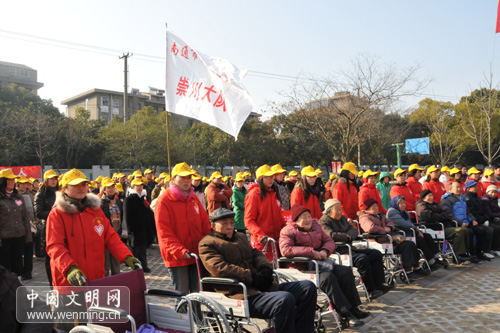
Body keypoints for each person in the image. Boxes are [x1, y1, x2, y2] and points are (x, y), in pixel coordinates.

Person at [199, 208, 317, 333]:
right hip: (239, 293)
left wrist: (265, 268)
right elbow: (220, 268)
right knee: (284, 299)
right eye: (224, 224)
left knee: (307, 288)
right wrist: (252, 277)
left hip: (261, 287)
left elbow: (256, 254)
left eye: (231, 223)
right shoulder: (207, 243)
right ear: (213, 225)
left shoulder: (240, 237)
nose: (229, 227)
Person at [46, 168, 140, 287]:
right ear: (64, 188)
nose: (81, 188)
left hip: (96, 280)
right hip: (69, 282)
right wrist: (69, 268)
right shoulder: (57, 214)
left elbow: (110, 237)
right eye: (75, 185)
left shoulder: (95, 211)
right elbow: (55, 246)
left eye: (84, 184)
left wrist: (126, 256)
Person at [280, 204, 368, 327]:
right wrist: (311, 252)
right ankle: (345, 314)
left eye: (309, 216)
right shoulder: (288, 231)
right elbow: (286, 250)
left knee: (345, 271)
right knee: (328, 278)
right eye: (303, 217)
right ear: (296, 220)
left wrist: (325, 251)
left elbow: (329, 241)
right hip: (303, 267)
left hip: (321, 262)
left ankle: (353, 308)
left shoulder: (316, 227)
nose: (308, 220)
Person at [155, 163, 211, 294]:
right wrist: (179, 250)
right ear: (173, 179)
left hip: (195, 253)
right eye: (183, 177)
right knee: (182, 295)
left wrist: (216, 238)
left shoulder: (193, 198)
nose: (187, 181)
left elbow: (205, 222)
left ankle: (197, 315)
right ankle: (182, 315)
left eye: (189, 177)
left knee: (198, 293)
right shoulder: (164, 200)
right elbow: (164, 232)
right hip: (177, 257)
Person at [319, 199, 391, 299]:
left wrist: (348, 235)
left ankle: (379, 284)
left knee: (376, 254)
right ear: (329, 211)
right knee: (362, 259)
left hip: (350, 248)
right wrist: (347, 236)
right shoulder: (323, 221)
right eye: (337, 210)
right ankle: (370, 290)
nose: (340, 212)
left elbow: (354, 231)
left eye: (341, 209)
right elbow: (332, 236)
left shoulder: (343, 218)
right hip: (338, 251)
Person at [359, 198, 427, 280]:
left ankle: (417, 267)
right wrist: (384, 229)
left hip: (391, 238)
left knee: (409, 243)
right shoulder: (364, 217)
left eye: (377, 206)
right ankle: (408, 272)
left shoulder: (381, 216)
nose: (376, 208)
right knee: (405, 246)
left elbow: (390, 222)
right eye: (374, 207)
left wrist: (389, 227)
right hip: (379, 241)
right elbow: (370, 228)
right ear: (367, 209)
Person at [387, 196, 448, 269]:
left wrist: (417, 230)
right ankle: (430, 262)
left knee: (427, 236)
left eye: (404, 203)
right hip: (397, 235)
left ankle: (436, 257)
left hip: (407, 232)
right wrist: (416, 230)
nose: (403, 205)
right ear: (396, 204)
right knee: (419, 239)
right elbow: (403, 223)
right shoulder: (392, 212)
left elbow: (409, 224)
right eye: (401, 203)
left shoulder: (404, 212)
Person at [415, 189, 473, 263]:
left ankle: (465, 253)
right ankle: (458, 255)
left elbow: (444, 214)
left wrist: (439, 216)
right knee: (459, 231)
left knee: (465, 230)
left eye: (432, 195)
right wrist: (439, 216)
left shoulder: (434, 204)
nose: (431, 197)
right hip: (432, 228)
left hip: (441, 226)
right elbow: (428, 216)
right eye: (429, 196)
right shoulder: (421, 205)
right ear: (423, 198)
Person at [245, 164, 286, 262]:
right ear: (260, 178)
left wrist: (286, 229)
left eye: (272, 177)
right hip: (261, 242)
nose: (270, 179)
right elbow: (249, 220)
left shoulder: (273, 192)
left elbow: (279, 216)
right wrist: (260, 234)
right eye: (267, 177)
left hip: (276, 241)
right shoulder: (254, 194)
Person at [441, 181, 485, 261]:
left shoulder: (462, 197)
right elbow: (449, 215)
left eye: (459, 187)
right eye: (456, 187)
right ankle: (470, 253)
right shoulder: (447, 199)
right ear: (450, 189)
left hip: (466, 222)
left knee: (480, 230)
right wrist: (460, 223)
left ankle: (478, 252)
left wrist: (473, 219)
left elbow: (468, 211)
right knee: (470, 232)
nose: (459, 189)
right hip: (455, 224)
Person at [0, 169, 31, 277]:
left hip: (19, 236)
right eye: (9, 180)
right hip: (4, 239)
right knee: (5, 266)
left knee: (18, 265)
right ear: (3, 181)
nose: (12, 182)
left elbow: (25, 218)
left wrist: (28, 236)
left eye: (13, 179)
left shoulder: (19, 197)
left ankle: (17, 288)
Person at [123, 177, 155, 273]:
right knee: (135, 248)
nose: (140, 187)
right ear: (133, 187)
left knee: (143, 248)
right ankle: (136, 267)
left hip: (143, 228)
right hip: (134, 228)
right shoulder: (129, 199)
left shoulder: (142, 198)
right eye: (137, 186)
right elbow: (127, 215)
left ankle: (144, 265)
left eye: (141, 185)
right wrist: (129, 229)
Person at [34, 169, 59, 285]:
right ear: (46, 180)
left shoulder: (60, 193)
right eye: (51, 179)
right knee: (50, 258)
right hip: (48, 227)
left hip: (61, 227)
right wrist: (56, 214)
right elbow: (38, 212)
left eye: (55, 179)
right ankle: (52, 284)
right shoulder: (41, 194)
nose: (53, 181)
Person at [464, 181, 497, 259]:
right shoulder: (467, 198)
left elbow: (483, 210)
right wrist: (481, 220)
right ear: (468, 188)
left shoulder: (478, 197)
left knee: (494, 228)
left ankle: (494, 249)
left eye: (476, 186)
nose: (476, 188)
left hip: (481, 219)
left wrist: (485, 218)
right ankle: (485, 251)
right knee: (489, 230)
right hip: (474, 221)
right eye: (474, 187)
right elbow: (471, 212)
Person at [100, 179, 126, 276]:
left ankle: (116, 285)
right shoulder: (101, 203)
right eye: (108, 188)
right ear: (104, 190)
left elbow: (121, 216)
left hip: (116, 235)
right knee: (105, 265)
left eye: (112, 187)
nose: (111, 189)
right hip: (104, 236)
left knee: (116, 264)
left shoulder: (118, 202)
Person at [16, 175, 36, 280]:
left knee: (29, 250)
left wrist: (35, 222)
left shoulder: (30, 195)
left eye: (25, 184)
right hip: (18, 226)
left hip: (30, 225)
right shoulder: (14, 196)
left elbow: (33, 209)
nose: (24, 186)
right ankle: (20, 271)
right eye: (21, 184)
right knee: (19, 251)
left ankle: (28, 272)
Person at [481, 185, 500, 256]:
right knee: (496, 229)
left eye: (495, 192)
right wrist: (497, 214)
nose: (493, 194)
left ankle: (497, 248)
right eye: (492, 192)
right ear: (488, 192)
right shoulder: (485, 200)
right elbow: (490, 214)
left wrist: (497, 214)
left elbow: (498, 210)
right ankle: (492, 249)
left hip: (493, 218)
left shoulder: (495, 199)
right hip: (486, 220)